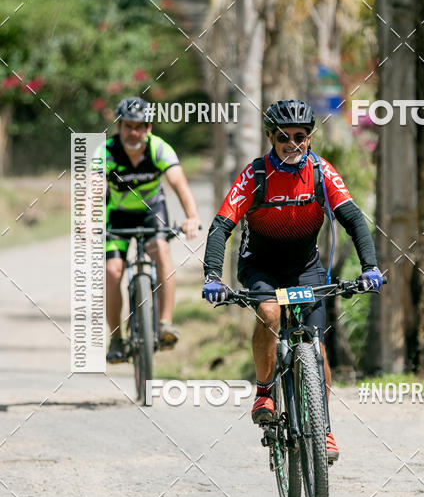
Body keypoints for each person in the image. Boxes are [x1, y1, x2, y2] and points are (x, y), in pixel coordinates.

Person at [203, 99, 383, 462]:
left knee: (316, 350)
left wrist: (370, 268)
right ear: (271, 137)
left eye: (300, 136)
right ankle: (265, 389)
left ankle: (324, 429)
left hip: (306, 267)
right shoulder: (255, 176)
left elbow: (353, 219)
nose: (292, 143)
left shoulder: (321, 172)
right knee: (269, 314)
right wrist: (212, 275)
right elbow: (221, 227)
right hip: (261, 266)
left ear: (310, 137)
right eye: (283, 137)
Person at [101, 97, 200, 363]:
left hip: (152, 212)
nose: (133, 132)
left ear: (149, 128)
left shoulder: (159, 149)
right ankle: (117, 339)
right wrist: (87, 221)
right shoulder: (107, 151)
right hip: (117, 216)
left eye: (139, 126)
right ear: (119, 127)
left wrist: (192, 216)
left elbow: (179, 183)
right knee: (113, 271)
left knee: (162, 252)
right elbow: (92, 189)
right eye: (128, 126)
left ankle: (165, 323)